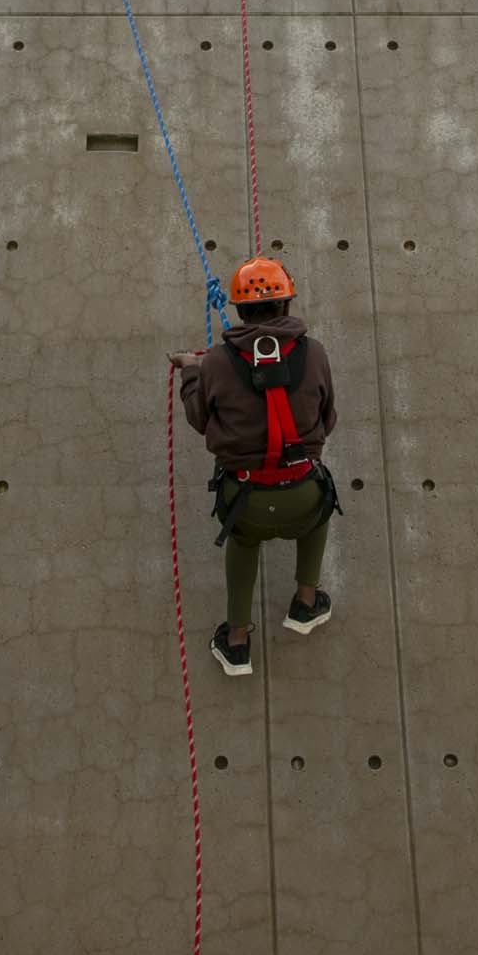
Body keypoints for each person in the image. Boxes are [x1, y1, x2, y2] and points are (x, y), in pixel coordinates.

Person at [170, 257, 341, 677]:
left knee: (243, 542)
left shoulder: (215, 363)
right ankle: (305, 602)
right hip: (301, 490)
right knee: (319, 510)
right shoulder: (314, 353)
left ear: (240, 311)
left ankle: (237, 640)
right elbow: (328, 417)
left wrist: (191, 373)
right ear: (285, 306)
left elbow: (198, 419)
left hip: (245, 497)